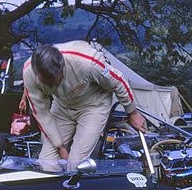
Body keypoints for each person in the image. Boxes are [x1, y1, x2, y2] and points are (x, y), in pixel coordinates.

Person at [23, 40, 146, 171]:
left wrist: (132, 112)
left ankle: (76, 187)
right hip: (62, 106)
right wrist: (60, 147)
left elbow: (118, 81)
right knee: (47, 163)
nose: (52, 83)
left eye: (55, 78)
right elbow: (42, 114)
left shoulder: (87, 62)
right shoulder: (28, 73)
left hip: (94, 105)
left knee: (76, 165)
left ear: (61, 66)